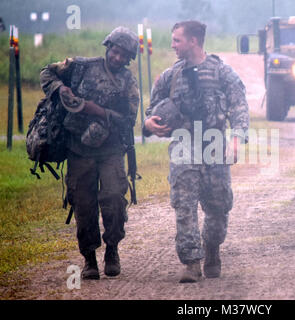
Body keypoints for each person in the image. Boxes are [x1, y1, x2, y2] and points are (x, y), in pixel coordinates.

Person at [143, 20, 249, 283]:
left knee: (218, 206)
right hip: (183, 144)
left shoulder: (222, 73)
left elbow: (239, 108)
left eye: (177, 40)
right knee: (184, 204)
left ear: (193, 41)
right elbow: (151, 109)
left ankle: (212, 248)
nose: (172, 45)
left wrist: (236, 139)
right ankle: (191, 262)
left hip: (214, 144)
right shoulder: (171, 75)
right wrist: (148, 123)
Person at [40, 27, 140, 280]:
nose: (117, 58)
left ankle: (112, 250)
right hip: (78, 150)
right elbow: (47, 72)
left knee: (114, 199)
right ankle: (89, 259)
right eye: (115, 52)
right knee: (83, 206)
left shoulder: (128, 82)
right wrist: (60, 90)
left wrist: (99, 111)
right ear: (108, 47)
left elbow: (129, 119)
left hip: (111, 150)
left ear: (129, 59)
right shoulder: (81, 66)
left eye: (123, 56)